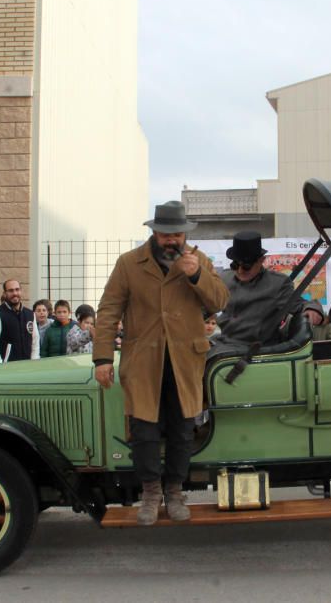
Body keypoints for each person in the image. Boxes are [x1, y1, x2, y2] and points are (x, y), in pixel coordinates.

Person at [93, 200, 229, 525]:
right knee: (144, 431)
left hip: (185, 361)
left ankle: (176, 491)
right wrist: (102, 358)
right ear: (154, 232)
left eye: (177, 234)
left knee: (184, 430)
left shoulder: (199, 261)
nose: (172, 240)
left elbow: (220, 300)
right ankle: (151, 493)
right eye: (166, 234)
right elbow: (109, 309)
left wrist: (197, 275)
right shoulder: (129, 263)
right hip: (143, 361)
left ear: (185, 233)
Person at [212, 231, 302, 355]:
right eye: (235, 265)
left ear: (261, 260)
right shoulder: (224, 278)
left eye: (246, 266)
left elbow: (300, 305)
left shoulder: (277, 284)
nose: (239, 270)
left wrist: (313, 310)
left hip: (257, 349)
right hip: (225, 344)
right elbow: (206, 303)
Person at [0, 279, 40, 364]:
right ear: (5, 293)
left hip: (28, 367)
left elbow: (35, 341)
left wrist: (34, 362)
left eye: (17, 289)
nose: (15, 293)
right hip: (7, 368)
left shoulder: (30, 314)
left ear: (21, 291)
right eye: (11, 290)